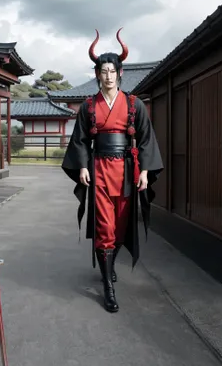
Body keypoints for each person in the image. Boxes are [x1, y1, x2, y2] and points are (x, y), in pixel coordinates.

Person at [62, 28, 163, 313]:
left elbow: (145, 138)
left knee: (120, 227)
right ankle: (108, 286)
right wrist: (82, 164)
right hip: (99, 169)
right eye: (102, 71)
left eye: (112, 70)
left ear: (120, 73)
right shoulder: (88, 106)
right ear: (97, 75)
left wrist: (144, 170)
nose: (107, 76)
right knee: (104, 227)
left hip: (127, 170)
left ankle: (109, 264)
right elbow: (80, 138)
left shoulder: (134, 105)